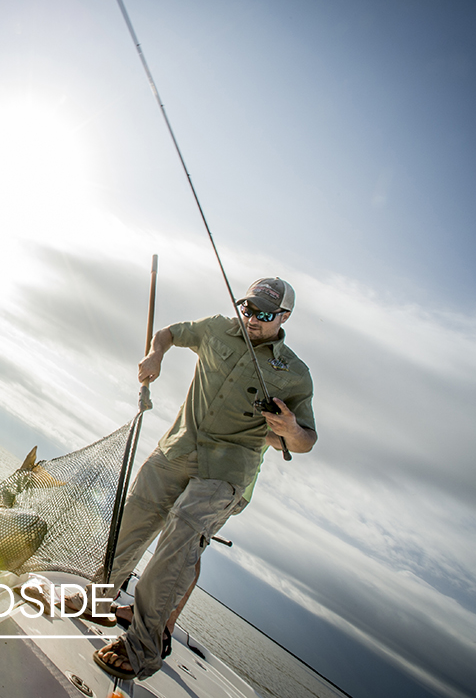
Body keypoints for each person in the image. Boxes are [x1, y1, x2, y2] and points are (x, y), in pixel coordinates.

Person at [92, 277, 317, 681]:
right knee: (130, 523)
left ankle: (142, 649)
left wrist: (289, 428)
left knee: (177, 542)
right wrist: (155, 355)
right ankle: (95, 599)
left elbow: (305, 442)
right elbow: (170, 333)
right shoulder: (216, 327)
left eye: (264, 314)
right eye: (247, 308)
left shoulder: (296, 374)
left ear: (284, 317)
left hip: (227, 470)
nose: (251, 318)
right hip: (177, 448)